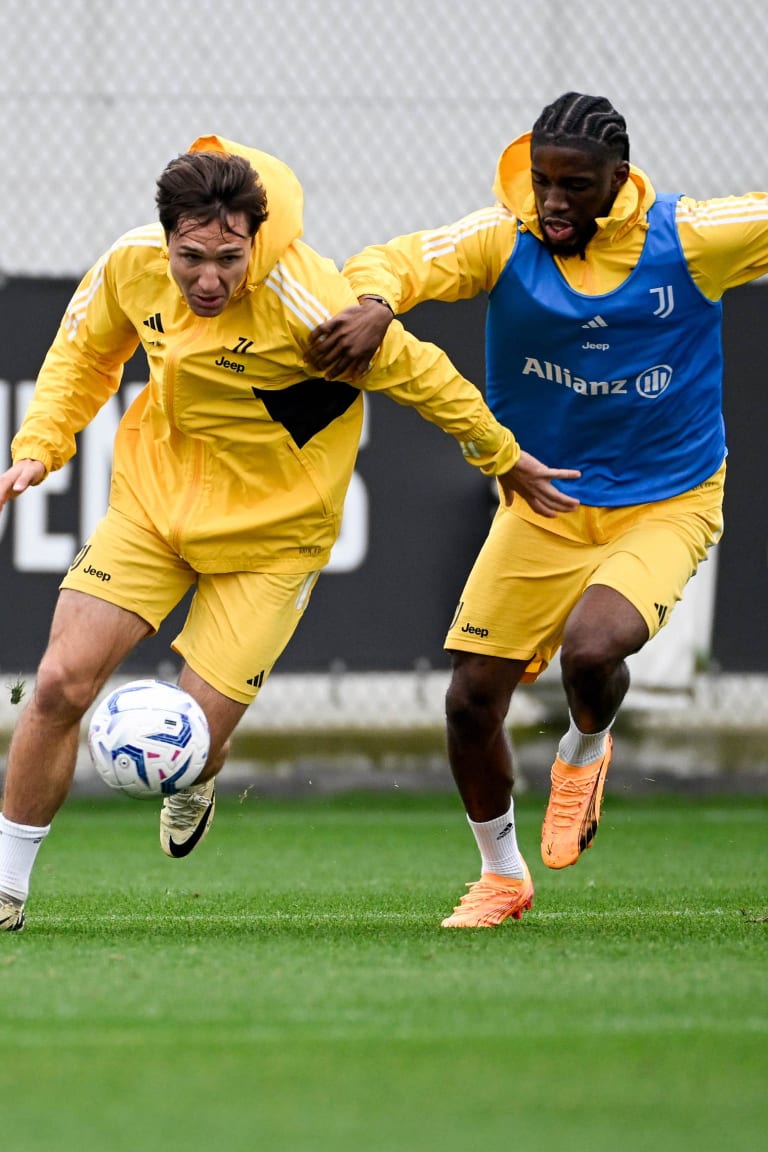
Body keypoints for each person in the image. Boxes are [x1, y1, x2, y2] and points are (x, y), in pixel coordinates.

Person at [0, 135, 579, 934]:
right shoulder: (131, 266)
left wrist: (502, 457)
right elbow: (82, 357)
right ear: (165, 236)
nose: (209, 278)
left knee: (193, 745)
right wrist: (37, 448)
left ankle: (197, 778)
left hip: (275, 541)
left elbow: (427, 378)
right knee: (60, 682)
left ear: (255, 241)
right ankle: (7, 889)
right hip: (152, 508)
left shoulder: (312, 301)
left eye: (229, 259)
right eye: (192, 256)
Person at [308, 91, 768, 928]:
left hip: (667, 499)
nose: (552, 202)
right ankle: (502, 877)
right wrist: (377, 304)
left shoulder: (693, 239)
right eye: (542, 182)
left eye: (575, 185)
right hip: (543, 499)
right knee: (469, 702)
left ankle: (584, 751)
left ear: (619, 182)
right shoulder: (503, 235)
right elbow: (397, 258)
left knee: (590, 653)